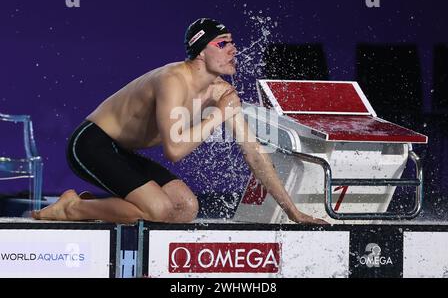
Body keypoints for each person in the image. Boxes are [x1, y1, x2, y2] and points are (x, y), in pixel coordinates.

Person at [32, 18, 327, 224]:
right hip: (91, 144)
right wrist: (218, 116)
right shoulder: (172, 80)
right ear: (201, 51)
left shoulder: (222, 92)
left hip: (120, 151)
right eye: (223, 43)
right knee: (157, 209)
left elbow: (254, 154)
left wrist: (292, 211)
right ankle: (72, 208)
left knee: (186, 207)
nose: (233, 49)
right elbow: (174, 151)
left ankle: (92, 207)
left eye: (233, 43)